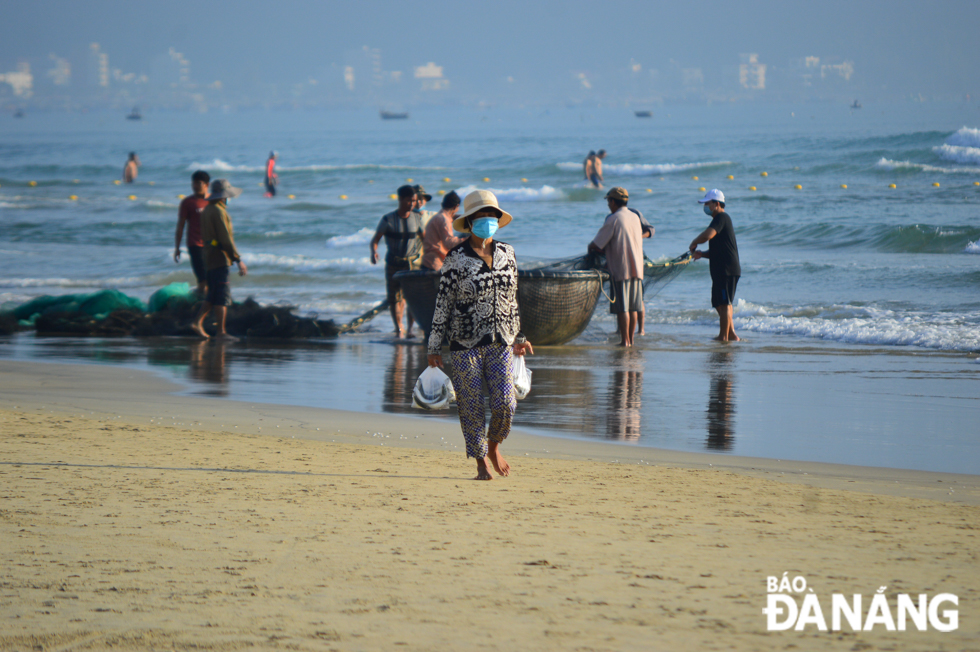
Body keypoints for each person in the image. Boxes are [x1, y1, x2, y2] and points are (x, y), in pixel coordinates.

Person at [427, 190, 533, 481]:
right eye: (482, 216)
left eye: (492, 215)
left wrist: (520, 337)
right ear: (470, 221)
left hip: (501, 342)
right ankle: (480, 462)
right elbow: (443, 303)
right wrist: (434, 345)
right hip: (464, 344)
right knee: (471, 406)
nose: (488, 220)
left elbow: (513, 298)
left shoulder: (507, 253)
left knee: (505, 404)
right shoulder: (456, 258)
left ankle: (494, 447)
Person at [190, 179, 248, 340]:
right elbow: (226, 239)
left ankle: (197, 322)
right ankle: (221, 332)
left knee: (213, 295)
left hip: (208, 257)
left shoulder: (207, 210)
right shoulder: (219, 212)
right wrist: (238, 259)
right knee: (222, 296)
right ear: (224, 196)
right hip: (219, 258)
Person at [588, 187, 644, 347]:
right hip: (638, 268)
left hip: (621, 269)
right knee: (634, 307)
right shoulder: (635, 217)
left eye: (608, 201)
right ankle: (631, 341)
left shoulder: (613, 219)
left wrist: (590, 247)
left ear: (613, 202)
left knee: (623, 308)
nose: (608, 205)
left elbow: (598, 243)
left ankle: (624, 341)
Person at [370, 185, 423, 338]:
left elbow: (426, 240)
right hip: (393, 263)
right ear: (400, 199)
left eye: (414, 201)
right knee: (395, 298)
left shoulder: (417, 218)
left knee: (412, 297)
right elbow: (375, 240)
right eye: (409, 201)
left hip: (412, 264)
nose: (412, 204)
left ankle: (411, 329)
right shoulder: (388, 219)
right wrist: (374, 252)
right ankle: (399, 327)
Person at [689, 189, 741, 342]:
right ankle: (731, 334)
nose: (705, 206)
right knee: (718, 304)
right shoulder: (719, 220)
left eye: (707, 203)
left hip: (727, 270)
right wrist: (702, 254)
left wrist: (694, 242)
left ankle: (723, 337)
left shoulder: (721, 217)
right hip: (721, 269)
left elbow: (707, 235)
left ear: (717, 204)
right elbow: (718, 250)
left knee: (724, 304)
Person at [174, 170, 211, 295]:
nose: (195, 186)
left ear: (207, 185)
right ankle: (202, 306)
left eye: (198, 183)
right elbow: (180, 226)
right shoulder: (187, 202)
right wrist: (177, 248)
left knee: (211, 279)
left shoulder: (214, 201)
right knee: (203, 279)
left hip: (212, 244)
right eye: (193, 183)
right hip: (195, 244)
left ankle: (203, 303)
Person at [420, 191, 465, 271]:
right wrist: (469, 240)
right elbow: (449, 243)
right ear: (456, 206)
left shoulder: (440, 216)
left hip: (429, 260)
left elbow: (451, 217)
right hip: (435, 264)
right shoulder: (444, 220)